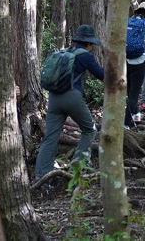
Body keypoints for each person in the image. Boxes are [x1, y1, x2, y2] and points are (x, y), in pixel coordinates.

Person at [34, 25, 104, 180]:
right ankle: (77, 168)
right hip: (72, 97)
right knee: (90, 130)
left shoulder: (63, 52)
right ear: (89, 43)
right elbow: (102, 76)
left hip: (53, 98)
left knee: (51, 137)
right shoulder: (85, 55)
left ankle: (41, 177)